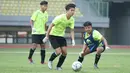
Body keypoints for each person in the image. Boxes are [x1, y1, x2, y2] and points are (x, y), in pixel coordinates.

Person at [43, 3, 76, 70]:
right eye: (71, 10)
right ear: (67, 11)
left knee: (64, 52)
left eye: (74, 10)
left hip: (61, 36)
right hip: (53, 35)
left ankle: (58, 66)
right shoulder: (60, 17)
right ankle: (50, 60)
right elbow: (50, 26)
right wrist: (46, 36)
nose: (73, 12)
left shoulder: (72, 20)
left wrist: (73, 40)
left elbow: (72, 30)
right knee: (58, 52)